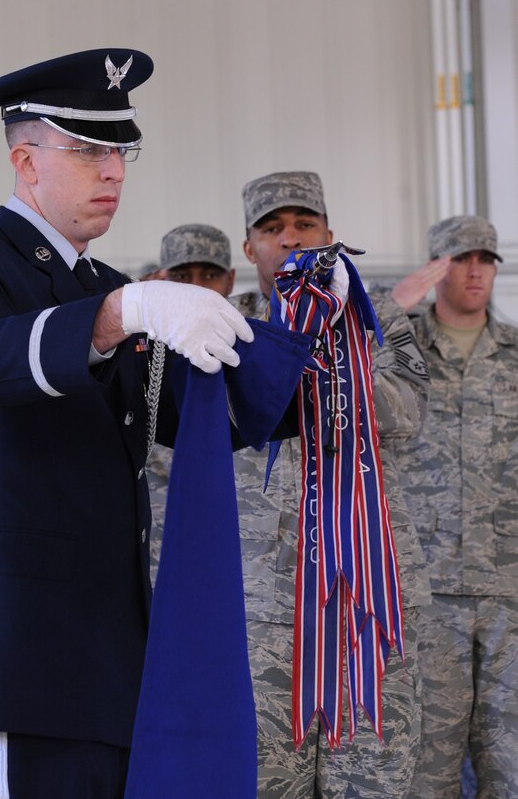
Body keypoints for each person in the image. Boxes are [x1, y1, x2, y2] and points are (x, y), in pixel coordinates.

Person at [0, 48, 257, 798]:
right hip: (32, 659)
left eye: (120, 149)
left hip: (123, 660)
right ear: (25, 159)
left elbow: (199, 412)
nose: (113, 170)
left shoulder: (108, 289)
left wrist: (314, 343)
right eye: (87, 150)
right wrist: (124, 314)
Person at [231, 170, 431, 797]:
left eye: (304, 225)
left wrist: (334, 347)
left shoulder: (379, 320)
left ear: (331, 235)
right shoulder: (225, 325)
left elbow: (407, 413)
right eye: (272, 229)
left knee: (374, 781)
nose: (290, 239)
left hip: (369, 600)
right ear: (249, 248)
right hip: (262, 610)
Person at [391, 215, 518, 797]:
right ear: (436, 265)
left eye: (486, 259)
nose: (475, 271)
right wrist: (391, 305)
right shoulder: (397, 347)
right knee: (425, 772)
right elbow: (334, 360)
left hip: (510, 596)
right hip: (425, 596)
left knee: (510, 769)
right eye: (462, 258)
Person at [147, 223, 236, 581]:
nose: (196, 288)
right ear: (159, 279)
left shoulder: (248, 355)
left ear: (229, 281)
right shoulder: (135, 352)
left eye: (209, 275)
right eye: (182, 276)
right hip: (154, 544)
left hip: (234, 544)